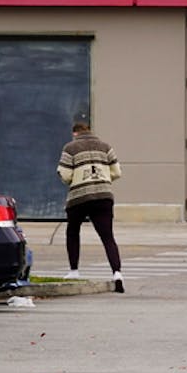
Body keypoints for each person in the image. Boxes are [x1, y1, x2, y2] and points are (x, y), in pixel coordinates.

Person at [56, 120, 124, 292]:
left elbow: (65, 174)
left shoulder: (70, 148)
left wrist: (75, 179)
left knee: (73, 232)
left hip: (79, 197)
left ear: (75, 133)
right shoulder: (105, 146)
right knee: (108, 237)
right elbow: (116, 172)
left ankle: (74, 271)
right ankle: (117, 273)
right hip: (104, 196)